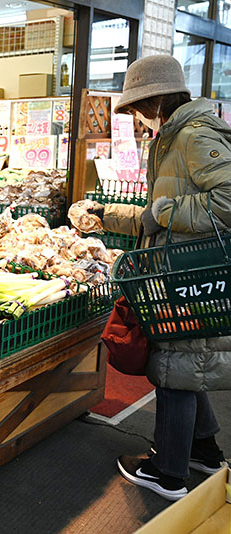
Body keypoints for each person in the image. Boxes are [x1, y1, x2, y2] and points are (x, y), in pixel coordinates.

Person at [89, 54, 231, 501]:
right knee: (189, 361)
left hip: (188, 274)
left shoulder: (192, 136)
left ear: (155, 100)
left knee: (174, 367)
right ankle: (205, 450)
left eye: (136, 108)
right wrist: (104, 216)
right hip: (176, 271)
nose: (135, 117)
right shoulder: (171, 138)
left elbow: (224, 200)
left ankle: (167, 473)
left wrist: (163, 211)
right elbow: (157, 218)